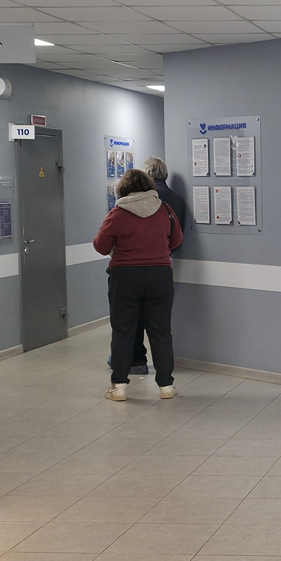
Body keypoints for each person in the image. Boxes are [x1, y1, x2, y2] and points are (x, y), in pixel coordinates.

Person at [93, 168, 182, 401]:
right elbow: (177, 239)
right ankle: (166, 386)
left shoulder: (117, 213)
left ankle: (119, 387)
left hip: (125, 276)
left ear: (123, 189)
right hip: (160, 275)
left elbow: (101, 246)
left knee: (123, 331)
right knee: (161, 331)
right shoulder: (165, 209)